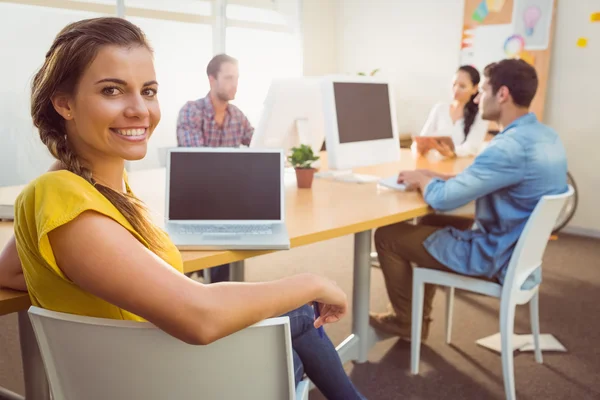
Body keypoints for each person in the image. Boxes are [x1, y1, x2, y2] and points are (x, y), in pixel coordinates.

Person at [0, 18, 365, 399]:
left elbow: (10, 270)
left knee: (294, 325)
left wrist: (89, 277)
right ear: (64, 103)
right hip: (164, 378)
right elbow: (200, 318)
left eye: (149, 91)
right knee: (302, 316)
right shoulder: (64, 198)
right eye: (112, 90)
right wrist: (314, 282)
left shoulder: (95, 190)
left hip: (152, 361)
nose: (140, 110)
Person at [370, 59, 568, 340]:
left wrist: (425, 181)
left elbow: (442, 200)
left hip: (495, 255)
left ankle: (405, 321)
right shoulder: (546, 137)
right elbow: (489, 180)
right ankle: (417, 320)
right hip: (519, 251)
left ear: (503, 94)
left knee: (388, 235)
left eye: (483, 89)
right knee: (429, 221)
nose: (477, 97)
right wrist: (433, 176)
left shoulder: (507, 147)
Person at [175, 54, 255, 283]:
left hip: (227, 199)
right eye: (229, 78)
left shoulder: (237, 116)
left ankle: (220, 288)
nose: (235, 84)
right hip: (196, 198)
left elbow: (259, 144)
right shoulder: (192, 111)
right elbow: (198, 163)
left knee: (236, 227)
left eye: (237, 78)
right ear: (212, 79)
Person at [413, 65, 489, 158]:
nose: (456, 89)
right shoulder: (440, 108)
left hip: (460, 166)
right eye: (454, 84)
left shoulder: (480, 115)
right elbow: (423, 138)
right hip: (435, 164)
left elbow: (472, 147)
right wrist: (418, 146)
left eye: (462, 86)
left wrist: (452, 152)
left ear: (474, 89)